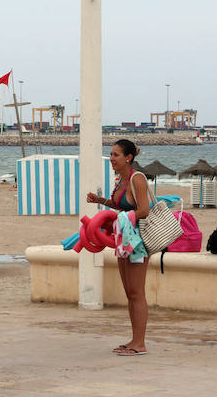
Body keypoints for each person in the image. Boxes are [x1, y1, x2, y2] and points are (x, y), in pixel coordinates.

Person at [85, 139, 151, 356]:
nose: (111, 159)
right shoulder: (121, 180)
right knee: (129, 292)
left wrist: (123, 218)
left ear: (128, 158)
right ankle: (134, 339)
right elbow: (119, 204)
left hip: (138, 242)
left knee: (137, 292)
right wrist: (101, 200)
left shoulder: (136, 178)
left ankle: (140, 343)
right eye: (111, 154)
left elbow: (143, 210)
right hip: (124, 241)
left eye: (115, 155)